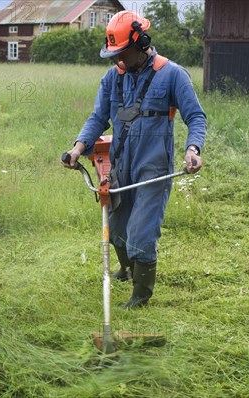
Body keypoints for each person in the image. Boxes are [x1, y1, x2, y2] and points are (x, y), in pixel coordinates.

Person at [62, 11, 206, 308]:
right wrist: (78, 147)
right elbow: (98, 118)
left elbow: (196, 117)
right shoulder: (113, 77)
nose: (118, 59)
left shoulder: (172, 74)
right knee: (116, 227)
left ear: (140, 42)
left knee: (141, 230)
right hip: (120, 164)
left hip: (153, 166)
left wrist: (193, 149)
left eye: (122, 52)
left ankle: (141, 295)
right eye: (113, 53)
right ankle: (127, 270)